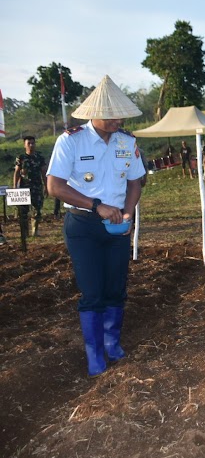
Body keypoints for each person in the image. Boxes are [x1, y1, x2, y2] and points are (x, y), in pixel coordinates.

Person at [46, 75, 146, 377]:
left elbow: (135, 183)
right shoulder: (71, 140)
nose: (118, 119)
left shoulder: (127, 143)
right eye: (112, 114)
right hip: (83, 225)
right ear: (95, 113)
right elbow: (54, 186)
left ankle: (112, 343)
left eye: (121, 115)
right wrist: (95, 205)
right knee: (92, 291)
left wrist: (128, 214)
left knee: (116, 287)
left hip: (116, 226)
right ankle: (94, 354)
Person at [13, 135, 47, 237]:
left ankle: (35, 231)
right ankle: (25, 232)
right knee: (23, 211)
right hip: (24, 188)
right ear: (25, 145)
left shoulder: (39, 157)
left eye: (33, 143)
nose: (31, 145)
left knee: (37, 210)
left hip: (37, 187)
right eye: (29, 143)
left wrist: (46, 186)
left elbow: (43, 172)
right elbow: (17, 172)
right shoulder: (21, 158)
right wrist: (15, 187)